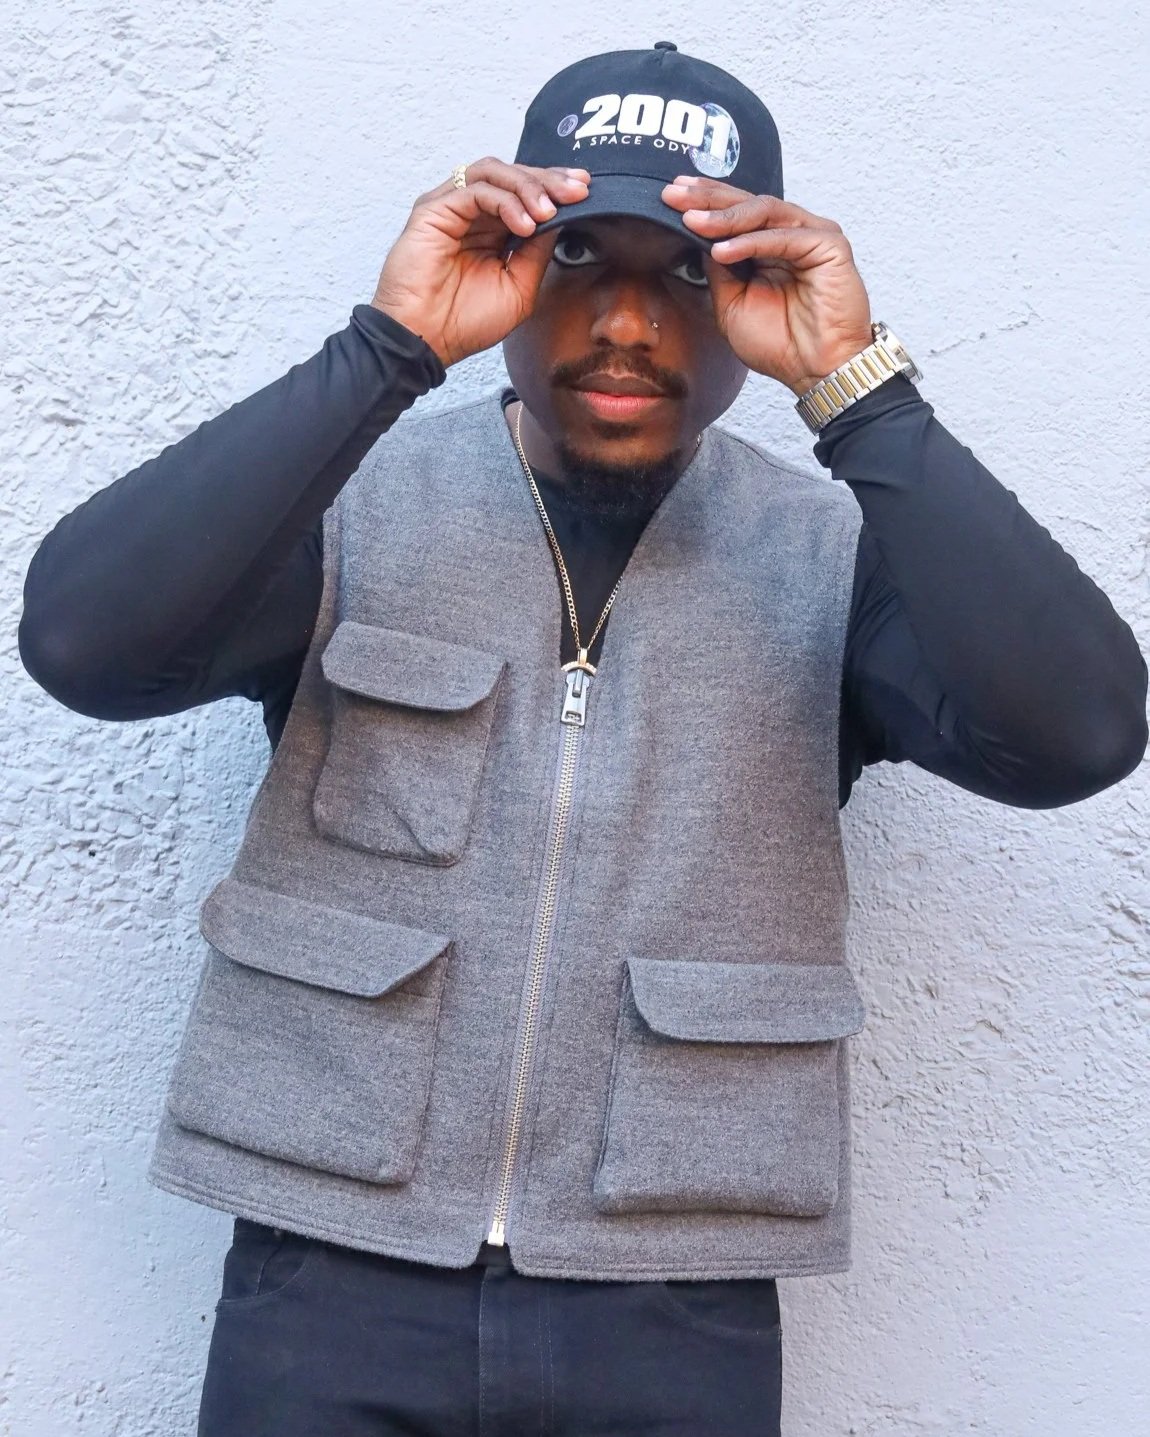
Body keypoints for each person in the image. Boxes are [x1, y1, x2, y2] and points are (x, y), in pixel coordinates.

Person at [18, 41, 1147, 1437]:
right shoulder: (348, 509)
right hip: (331, 1279)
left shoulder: (829, 558)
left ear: (754, 296)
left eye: (688, 274)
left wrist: (859, 388)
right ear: (506, 267)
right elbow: (84, 644)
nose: (626, 323)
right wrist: (386, 350)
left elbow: (1079, 733)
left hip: (671, 1303)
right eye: (578, 262)